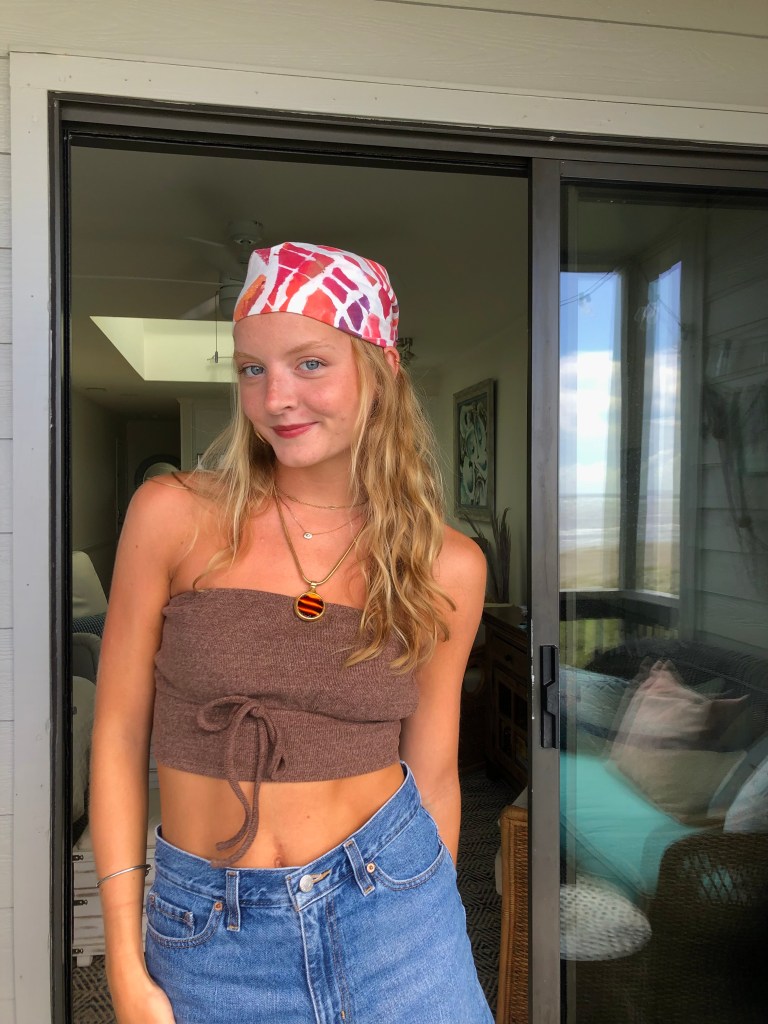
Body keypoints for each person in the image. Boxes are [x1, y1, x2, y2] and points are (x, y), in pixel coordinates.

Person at [90, 241, 492, 1023]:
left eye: (310, 363)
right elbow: (117, 732)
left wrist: (429, 917)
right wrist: (123, 958)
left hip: (396, 914)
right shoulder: (173, 515)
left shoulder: (447, 565)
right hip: (211, 931)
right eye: (252, 369)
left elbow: (435, 772)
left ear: (381, 371)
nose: (276, 398)